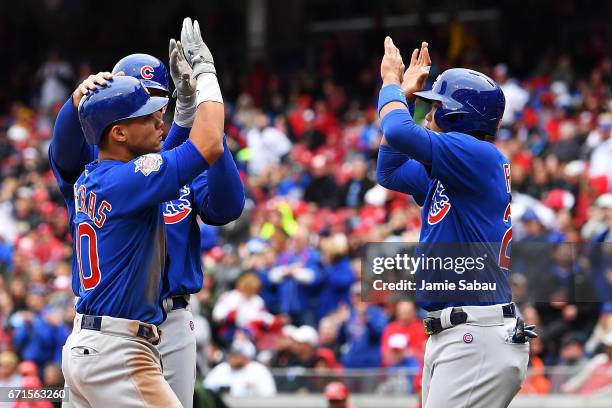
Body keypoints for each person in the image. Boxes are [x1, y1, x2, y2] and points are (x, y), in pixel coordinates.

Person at [49, 25, 244, 408]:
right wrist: (205, 82)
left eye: (160, 104)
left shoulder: (109, 172)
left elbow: (219, 201)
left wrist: (186, 120)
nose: (158, 117)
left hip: (117, 331)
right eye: (143, 107)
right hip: (122, 340)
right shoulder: (127, 173)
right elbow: (193, 150)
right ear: (115, 129)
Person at [376, 38, 536, 407]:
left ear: (458, 114)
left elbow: (399, 133)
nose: (429, 113)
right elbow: (390, 170)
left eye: (435, 106)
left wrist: (393, 86)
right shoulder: (457, 166)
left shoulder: (475, 153)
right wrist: (411, 104)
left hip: (474, 335)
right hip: (460, 334)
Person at [203, 339, 277, 397]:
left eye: (237, 355)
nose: (232, 357)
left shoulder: (259, 371)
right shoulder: (221, 369)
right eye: (232, 353)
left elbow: (269, 396)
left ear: (247, 357)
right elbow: (206, 391)